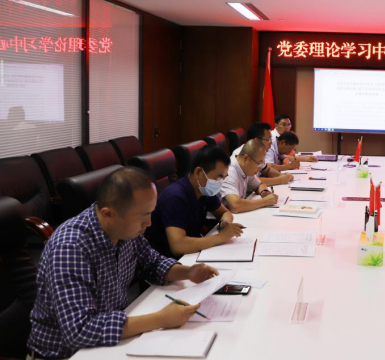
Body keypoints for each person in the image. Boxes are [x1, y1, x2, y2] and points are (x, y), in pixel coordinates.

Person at [27, 167, 219, 359]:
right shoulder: (70, 247)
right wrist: (161, 319)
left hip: (109, 341)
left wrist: (188, 272)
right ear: (108, 214)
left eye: (150, 213)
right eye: (142, 216)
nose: (149, 223)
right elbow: (80, 330)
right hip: (66, 354)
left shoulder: (125, 228)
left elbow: (151, 263)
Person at [145, 145, 244, 258]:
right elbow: (178, 246)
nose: (220, 182)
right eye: (218, 177)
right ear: (198, 172)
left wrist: (224, 223)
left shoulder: (204, 190)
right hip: (168, 261)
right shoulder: (175, 197)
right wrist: (221, 237)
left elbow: (225, 213)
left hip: (191, 253)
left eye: (224, 178)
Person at [221, 139, 279, 213]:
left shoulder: (246, 168)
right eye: (259, 163)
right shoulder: (229, 172)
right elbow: (235, 205)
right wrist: (265, 201)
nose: (260, 168)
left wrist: (264, 192)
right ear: (245, 158)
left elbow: (259, 185)